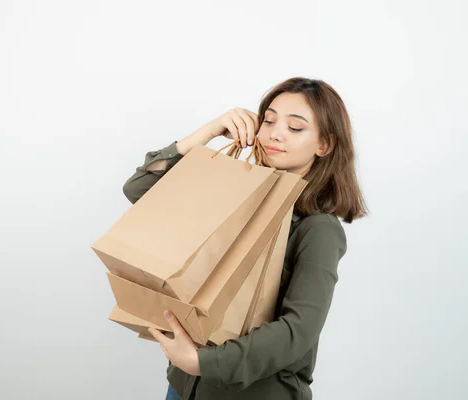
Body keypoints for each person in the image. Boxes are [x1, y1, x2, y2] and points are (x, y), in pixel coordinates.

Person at [121, 77, 368, 400]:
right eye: (268, 120)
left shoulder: (318, 229)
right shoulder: (234, 196)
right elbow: (138, 189)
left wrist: (202, 362)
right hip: (184, 388)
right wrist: (209, 132)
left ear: (324, 145)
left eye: (295, 128)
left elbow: (298, 330)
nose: (276, 133)